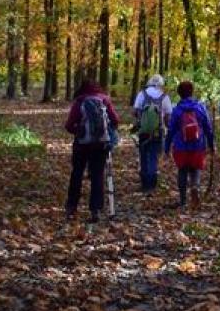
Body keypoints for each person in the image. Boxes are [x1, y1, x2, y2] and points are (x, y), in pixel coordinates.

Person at [64, 78, 120, 223]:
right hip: (100, 144)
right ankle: (95, 210)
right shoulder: (104, 100)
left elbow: (69, 125)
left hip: (81, 145)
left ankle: (71, 206)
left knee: (77, 174)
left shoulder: (80, 101)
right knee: (97, 176)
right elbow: (115, 120)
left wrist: (80, 131)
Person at [165, 80, 214, 210]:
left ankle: (182, 200)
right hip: (198, 146)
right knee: (195, 169)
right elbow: (208, 127)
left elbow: (171, 130)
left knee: (182, 170)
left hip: (181, 147)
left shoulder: (177, 109)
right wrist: (211, 144)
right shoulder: (200, 107)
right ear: (192, 92)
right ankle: (195, 188)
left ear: (179, 93)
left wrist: (166, 147)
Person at [132, 73, 172, 192]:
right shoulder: (164, 96)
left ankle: (144, 184)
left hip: (143, 131)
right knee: (153, 157)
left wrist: (141, 120)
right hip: (157, 132)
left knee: (144, 156)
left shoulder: (142, 94)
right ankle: (152, 184)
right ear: (161, 84)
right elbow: (168, 116)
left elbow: (135, 111)